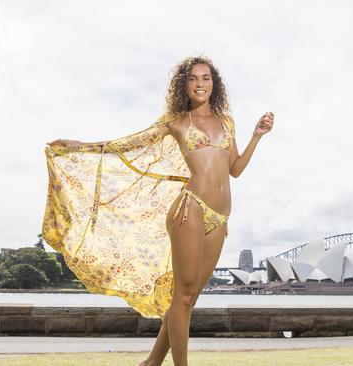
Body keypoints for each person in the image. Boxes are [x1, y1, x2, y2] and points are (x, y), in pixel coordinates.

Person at [45, 55, 274, 366]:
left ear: (214, 84)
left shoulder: (226, 123)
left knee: (190, 298)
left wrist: (256, 137)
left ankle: (152, 362)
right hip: (189, 209)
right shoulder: (177, 122)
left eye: (205, 78)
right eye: (193, 79)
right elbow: (127, 144)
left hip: (220, 218)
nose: (200, 84)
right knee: (182, 295)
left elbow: (234, 170)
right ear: (185, 85)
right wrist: (79, 146)